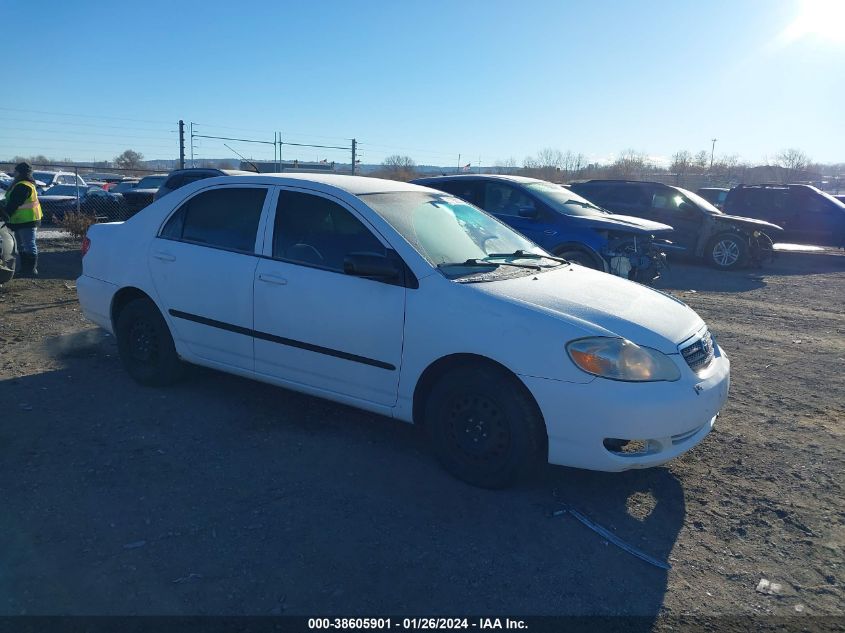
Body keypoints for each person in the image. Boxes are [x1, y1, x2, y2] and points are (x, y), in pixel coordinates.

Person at [1, 162, 43, 277]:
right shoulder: (23, 184)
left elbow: (14, 203)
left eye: (16, 171)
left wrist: (5, 213)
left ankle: (30, 270)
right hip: (21, 220)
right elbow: (11, 201)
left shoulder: (23, 185)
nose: (14, 173)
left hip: (27, 220)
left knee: (28, 245)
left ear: (19, 172)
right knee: (23, 246)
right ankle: (25, 269)